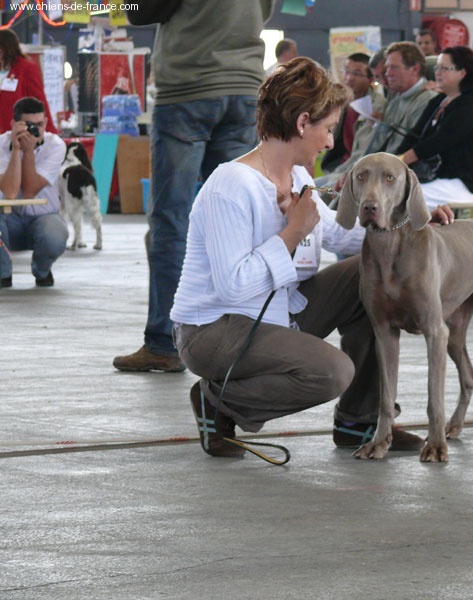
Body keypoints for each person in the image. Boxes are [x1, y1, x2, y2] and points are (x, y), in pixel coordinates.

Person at [169, 57, 454, 458]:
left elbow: (340, 234)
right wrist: (291, 233)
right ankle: (218, 401)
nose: (331, 142)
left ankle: (360, 419)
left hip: (278, 312)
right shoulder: (229, 186)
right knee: (331, 371)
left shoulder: (300, 178)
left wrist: (410, 222)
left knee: (369, 273)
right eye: (328, 128)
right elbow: (233, 285)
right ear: (302, 123)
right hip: (216, 330)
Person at [113, 0, 272, 373]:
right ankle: (242, 338)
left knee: (172, 220)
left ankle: (164, 343)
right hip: (245, 88)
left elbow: (138, 10)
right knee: (240, 220)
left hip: (188, 89)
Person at [321, 42, 436, 194]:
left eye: (393, 68)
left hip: (393, 176)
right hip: (376, 169)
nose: (387, 75)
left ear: (415, 69)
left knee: (323, 193)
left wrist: (364, 172)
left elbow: (403, 147)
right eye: (386, 68)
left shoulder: (427, 100)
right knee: (315, 189)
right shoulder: (396, 99)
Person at [396, 46, 473, 208]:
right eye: (437, 67)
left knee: (400, 198)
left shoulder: (470, 106)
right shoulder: (438, 101)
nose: (438, 72)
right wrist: (391, 160)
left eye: (444, 68)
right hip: (436, 179)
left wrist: (400, 162)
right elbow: (414, 136)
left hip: (464, 184)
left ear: (462, 73)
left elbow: (437, 142)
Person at [0, 97, 67, 288]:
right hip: (8, 220)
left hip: (43, 218)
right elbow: (11, 192)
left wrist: (28, 153)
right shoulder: (1, 145)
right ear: (14, 124)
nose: (35, 131)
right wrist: (16, 150)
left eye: (39, 125)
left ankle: (42, 270)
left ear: (46, 122)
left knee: (55, 235)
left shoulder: (55, 145)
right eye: (29, 125)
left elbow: (29, 191)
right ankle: (3, 274)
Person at [319, 53, 386, 180]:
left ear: (370, 79)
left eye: (357, 74)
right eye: (346, 71)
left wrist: (340, 175)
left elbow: (364, 152)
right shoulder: (340, 102)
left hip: (355, 169)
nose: (349, 78)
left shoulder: (375, 107)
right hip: (337, 163)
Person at [0, 30, 58, 135]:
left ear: (4, 49)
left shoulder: (26, 69)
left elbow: (39, 101)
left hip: (19, 135)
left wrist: (49, 132)